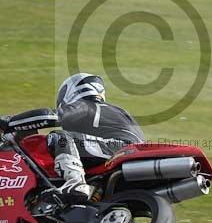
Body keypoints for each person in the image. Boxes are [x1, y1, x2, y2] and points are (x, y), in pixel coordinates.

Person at [47, 73, 144, 202]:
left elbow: (56, 116)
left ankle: (75, 182)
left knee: (61, 137)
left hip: (118, 148)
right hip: (136, 152)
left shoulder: (85, 104)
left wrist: (13, 121)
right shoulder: (118, 110)